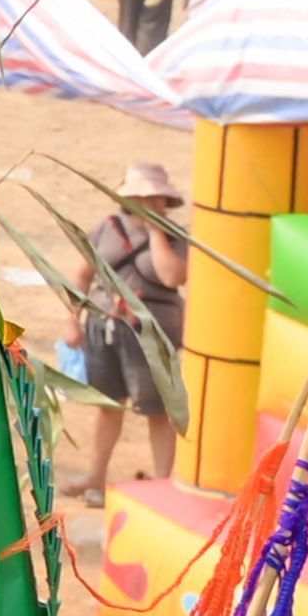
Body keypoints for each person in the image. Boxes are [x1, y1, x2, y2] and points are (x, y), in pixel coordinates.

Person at [75, 158, 191, 502]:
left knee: (157, 408)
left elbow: (172, 277)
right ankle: (96, 475)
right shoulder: (107, 227)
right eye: (139, 197)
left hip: (152, 333)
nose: (146, 204)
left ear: (165, 201)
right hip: (105, 324)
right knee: (108, 403)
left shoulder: (177, 236)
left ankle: (162, 482)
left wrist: (156, 231)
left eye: (153, 198)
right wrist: (72, 319)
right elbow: (82, 275)